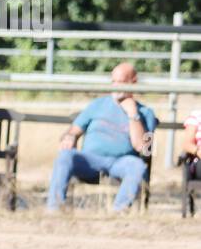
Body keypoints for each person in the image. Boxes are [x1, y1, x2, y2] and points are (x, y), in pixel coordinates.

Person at [45, 62, 157, 212]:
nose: (116, 86)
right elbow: (73, 131)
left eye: (121, 82)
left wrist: (133, 114)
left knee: (137, 166)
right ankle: (55, 209)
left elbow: (145, 149)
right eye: (113, 81)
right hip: (89, 160)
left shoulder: (147, 113)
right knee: (65, 156)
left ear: (133, 82)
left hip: (121, 163)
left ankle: (119, 212)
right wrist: (69, 137)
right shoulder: (97, 104)